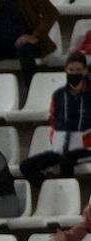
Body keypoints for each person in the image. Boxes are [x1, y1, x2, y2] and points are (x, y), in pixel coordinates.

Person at [18, 52, 91, 187]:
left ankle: (66, 196)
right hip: (61, 147)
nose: (74, 73)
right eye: (71, 70)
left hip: (86, 148)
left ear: (85, 71)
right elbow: (54, 121)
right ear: (66, 71)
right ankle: (51, 189)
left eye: (78, 70)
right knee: (26, 166)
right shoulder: (58, 95)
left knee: (66, 160)